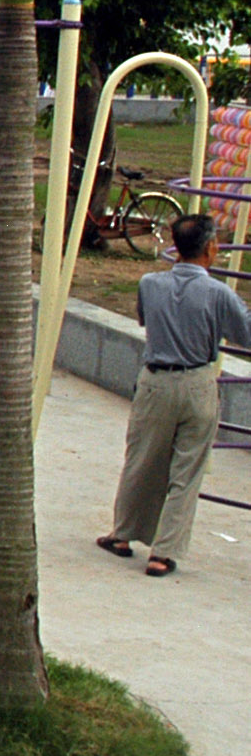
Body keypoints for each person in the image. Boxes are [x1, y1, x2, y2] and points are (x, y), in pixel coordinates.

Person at [102, 211, 251, 577]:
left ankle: (123, 534)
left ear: (175, 247)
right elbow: (246, 335)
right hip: (199, 382)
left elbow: (143, 320)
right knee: (187, 470)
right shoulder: (219, 294)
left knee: (142, 459)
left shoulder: (150, 284)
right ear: (211, 248)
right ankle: (163, 552)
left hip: (156, 381)